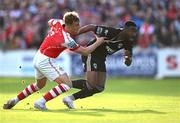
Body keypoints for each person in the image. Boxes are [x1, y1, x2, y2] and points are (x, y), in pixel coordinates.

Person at [3, 11, 105, 110]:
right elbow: (86, 51)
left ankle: (15, 100)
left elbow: (50, 21)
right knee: (66, 84)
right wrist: (98, 42)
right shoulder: (66, 40)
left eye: (78, 24)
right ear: (68, 25)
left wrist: (52, 32)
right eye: (76, 25)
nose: (78, 28)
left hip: (38, 57)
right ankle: (41, 102)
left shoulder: (58, 23)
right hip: (46, 60)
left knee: (39, 85)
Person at [62, 21, 138, 109]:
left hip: (101, 58)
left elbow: (128, 60)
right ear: (125, 29)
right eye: (131, 30)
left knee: (99, 88)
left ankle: (69, 98)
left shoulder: (129, 42)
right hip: (91, 53)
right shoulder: (111, 32)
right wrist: (75, 33)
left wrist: (127, 59)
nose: (133, 33)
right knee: (91, 85)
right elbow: (91, 26)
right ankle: (65, 84)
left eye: (135, 31)